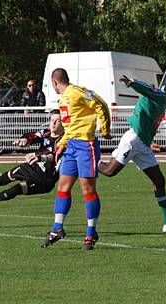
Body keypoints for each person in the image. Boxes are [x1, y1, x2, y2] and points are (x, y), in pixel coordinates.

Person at [99, 75, 166, 236]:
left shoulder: (159, 102)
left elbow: (146, 104)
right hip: (133, 141)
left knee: (159, 181)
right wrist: (132, 83)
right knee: (109, 172)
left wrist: (149, 141)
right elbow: (147, 90)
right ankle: (87, 159)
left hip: (142, 144)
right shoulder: (162, 98)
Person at [41, 68, 112, 250]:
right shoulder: (64, 98)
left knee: (87, 189)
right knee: (63, 187)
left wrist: (105, 130)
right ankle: (57, 228)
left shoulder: (79, 92)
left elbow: (101, 105)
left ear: (55, 82)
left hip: (85, 145)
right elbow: (71, 127)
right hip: (71, 146)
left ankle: (91, 233)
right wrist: (62, 144)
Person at [0, 110, 64, 206]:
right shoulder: (45, 133)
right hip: (34, 169)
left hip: (46, 179)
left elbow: (55, 155)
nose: (53, 123)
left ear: (63, 123)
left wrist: (40, 157)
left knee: (17, 184)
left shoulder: (64, 140)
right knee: (13, 179)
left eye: (57, 121)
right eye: (52, 120)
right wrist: (24, 140)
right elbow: (33, 136)